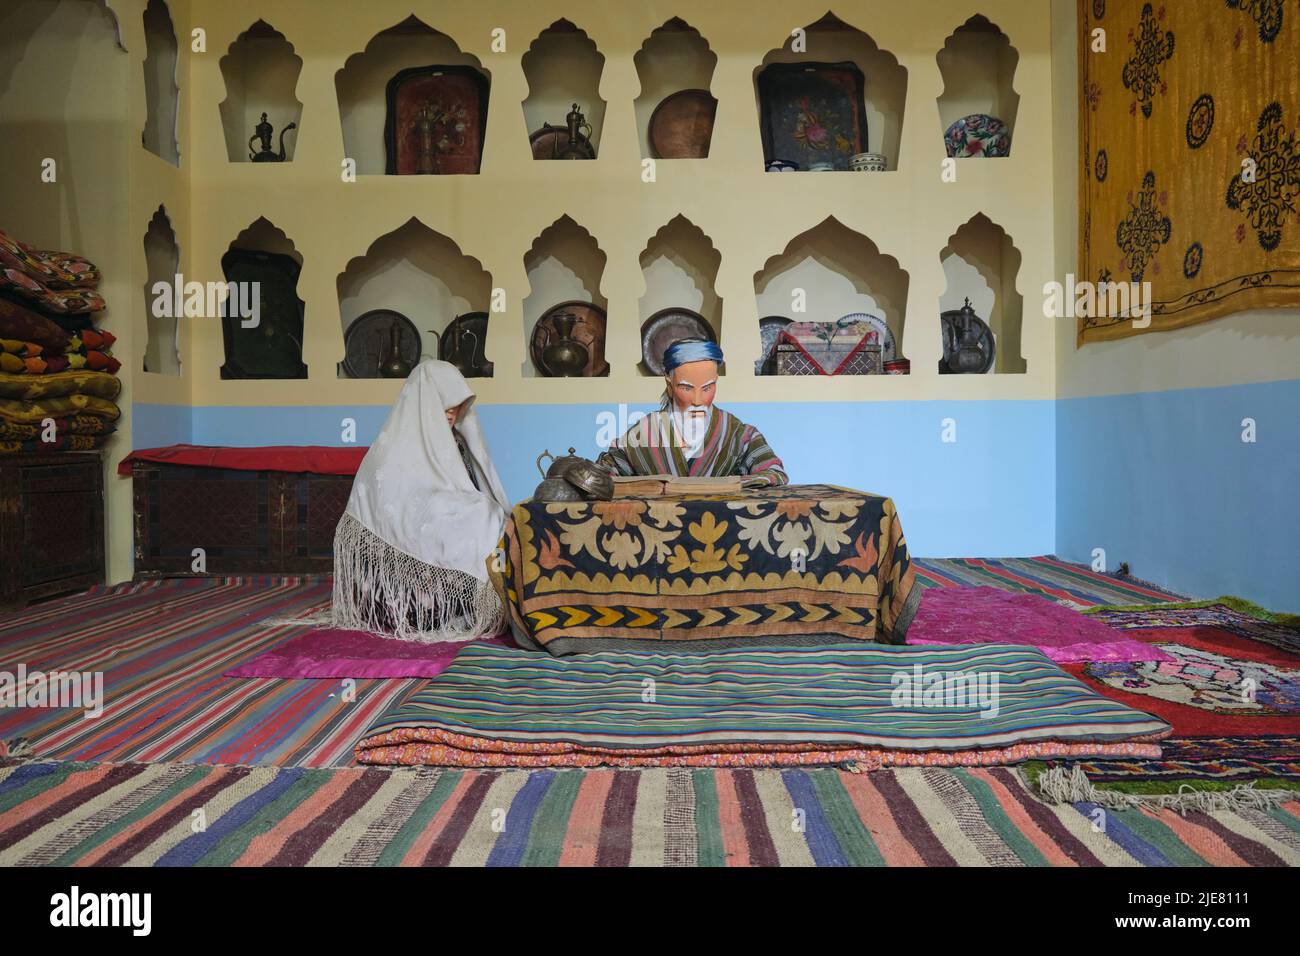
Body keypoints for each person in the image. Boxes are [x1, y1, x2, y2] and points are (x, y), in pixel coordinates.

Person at [331, 359, 510, 642]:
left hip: (446, 552)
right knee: (478, 517)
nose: (453, 412)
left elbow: (468, 491)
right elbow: (398, 509)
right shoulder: (389, 451)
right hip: (401, 579)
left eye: (457, 404)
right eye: (444, 402)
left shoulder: (456, 444)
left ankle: (473, 604)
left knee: (489, 515)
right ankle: (433, 608)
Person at [597, 338, 788, 485]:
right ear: (669, 383)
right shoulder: (642, 434)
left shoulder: (739, 434)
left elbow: (774, 472)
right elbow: (601, 476)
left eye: (707, 388)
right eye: (686, 388)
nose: (698, 401)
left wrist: (732, 485)